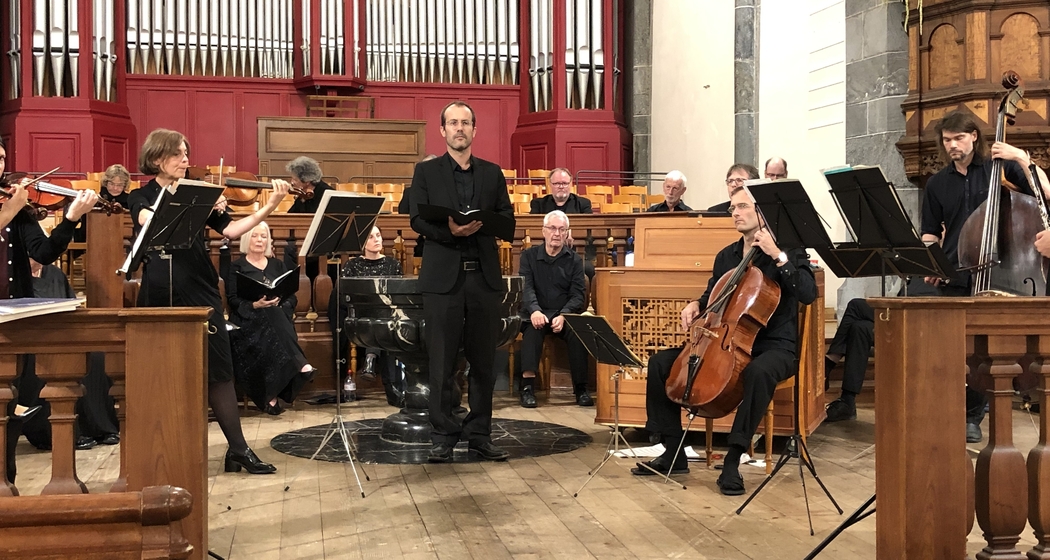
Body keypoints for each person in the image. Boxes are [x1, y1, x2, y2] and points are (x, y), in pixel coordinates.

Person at [632, 187, 816, 497]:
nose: (735, 212)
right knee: (661, 363)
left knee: (757, 372)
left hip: (774, 345)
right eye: (733, 207)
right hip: (726, 340)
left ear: (760, 213)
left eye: (742, 207)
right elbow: (711, 298)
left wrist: (778, 255)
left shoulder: (789, 250)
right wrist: (694, 304)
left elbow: (808, 293)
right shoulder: (727, 256)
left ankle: (733, 459)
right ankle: (674, 450)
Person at [127, 128, 289, 475]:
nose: (187, 160)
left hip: (200, 289)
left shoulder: (199, 196)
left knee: (219, 370)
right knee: (159, 373)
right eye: (179, 155)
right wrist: (194, 204)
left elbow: (230, 231)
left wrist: (270, 206)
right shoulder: (141, 196)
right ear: (157, 159)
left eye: (187, 153)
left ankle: (239, 450)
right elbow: (147, 221)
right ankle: (163, 449)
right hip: (159, 291)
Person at [919, 110, 1049, 443]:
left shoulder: (999, 169)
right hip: (956, 272)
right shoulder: (937, 183)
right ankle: (947, 410)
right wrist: (930, 262)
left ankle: (974, 415)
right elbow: (930, 234)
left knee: (985, 351)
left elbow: (1045, 193)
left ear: (974, 136)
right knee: (953, 350)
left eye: (959, 138)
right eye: (947, 140)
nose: (953, 146)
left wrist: (1021, 157)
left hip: (1004, 271)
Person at [409, 100, 515, 463]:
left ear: (474, 130)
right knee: (441, 362)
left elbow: (506, 216)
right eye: (452, 123)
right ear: (442, 130)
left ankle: (480, 434)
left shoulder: (492, 173)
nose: (459, 128)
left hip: (483, 278)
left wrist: (486, 222)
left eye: (465, 123)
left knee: (484, 362)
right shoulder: (427, 173)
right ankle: (443, 435)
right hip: (443, 279)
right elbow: (416, 220)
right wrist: (449, 231)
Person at [0, 137, 100, 484]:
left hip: (15, 314)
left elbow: (42, 253)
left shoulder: (17, 207)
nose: (0, 166)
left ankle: (7, 479)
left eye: (1, 159)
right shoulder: (11, 206)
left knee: (14, 403)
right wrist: (11, 209)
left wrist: (71, 217)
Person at [227, 222, 317, 415]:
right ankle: (300, 364)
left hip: (277, 317)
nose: (260, 240)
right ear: (246, 239)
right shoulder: (237, 266)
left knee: (275, 313)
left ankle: (271, 394)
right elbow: (233, 299)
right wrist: (255, 305)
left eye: (264, 236)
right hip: (248, 320)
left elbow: (291, 296)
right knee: (270, 317)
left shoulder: (277, 265)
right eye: (255, 236)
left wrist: (279, 302)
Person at [517, 210, 591, 408]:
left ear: (567, 233)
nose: (557, 233)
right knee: (532, 333)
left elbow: (577, 294)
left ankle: (581, 389)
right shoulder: (529, 256)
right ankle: (527, 388)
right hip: (537, 314)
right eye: (553, 228)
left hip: (563, 315)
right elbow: (526, 287)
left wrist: (564, 315)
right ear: (544, 231)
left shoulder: (575, 260)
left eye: (562, 229)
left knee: (578, 334)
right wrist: (534, 310)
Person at [334, 225, 405, 406]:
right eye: (371, 237)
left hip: (387, 316)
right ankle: (391, 387)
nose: (377, 239)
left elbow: (397, 295)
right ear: (363, 243)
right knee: (381, 322)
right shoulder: (352, 265)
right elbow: (345, 295)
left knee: (386, 322)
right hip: (361, 316)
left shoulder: (392, 264)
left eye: (379, 235)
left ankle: (371, 358)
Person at [823, 298, 874, 422]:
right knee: (859, 328)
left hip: (919, 314)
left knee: (856, 305)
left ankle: (828, 364)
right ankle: (848, 401)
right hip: (904, 305)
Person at [399, 154, 439, 258]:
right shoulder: (409, 192)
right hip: (415, 239)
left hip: (440, 238)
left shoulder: (445, 192)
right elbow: (402, 217)